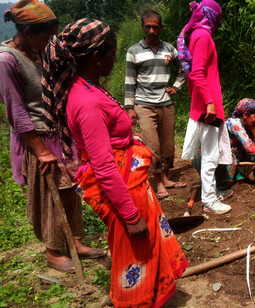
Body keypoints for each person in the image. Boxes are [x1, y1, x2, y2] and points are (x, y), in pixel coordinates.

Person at [42, 18, 188, 307]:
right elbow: (104, 166)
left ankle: (149, 294)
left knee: (141, 250)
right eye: (112, 53)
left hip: (127, 180)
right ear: (96, 57)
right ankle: (135, 300)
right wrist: (132, 217)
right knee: (134, 252)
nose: (114, 59)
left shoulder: (87, 87)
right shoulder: (87, 103)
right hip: (121, 188)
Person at [0, 0, 105, 273]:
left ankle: (77, 242)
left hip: (60, 133)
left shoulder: (42, 51)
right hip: (37, 138)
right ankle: (53, 251)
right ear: (26, 31)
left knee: (71, 189)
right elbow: (16, 111)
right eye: (46, 36)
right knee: (49, 194)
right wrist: (40, 150)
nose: (50, 42)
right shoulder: (7, 60)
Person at [178, 0, 233, 215]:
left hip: (205, 102)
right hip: (206, 105)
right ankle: (209, 200)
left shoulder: (198, 35)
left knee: (210, 152)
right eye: (217, 17)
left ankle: (210, 193)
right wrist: (209, 102)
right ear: (211, 16)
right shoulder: (203, 36)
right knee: (210, 154)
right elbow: (197, 72)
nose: (218, 22)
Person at [125, 10, 186, 200]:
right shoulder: (134, 51)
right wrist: (129, 107)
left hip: (166, 103)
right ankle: (158, 182)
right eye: (148, 26)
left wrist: (176, 87)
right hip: (144, 104)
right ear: (143, 27)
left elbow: (183, 69)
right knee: (152, 145)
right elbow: (129, 80)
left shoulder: (169, 49)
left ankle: (166, 178)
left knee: (168, 145)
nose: (151, 30)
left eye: (155, 26)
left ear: (161, 27)